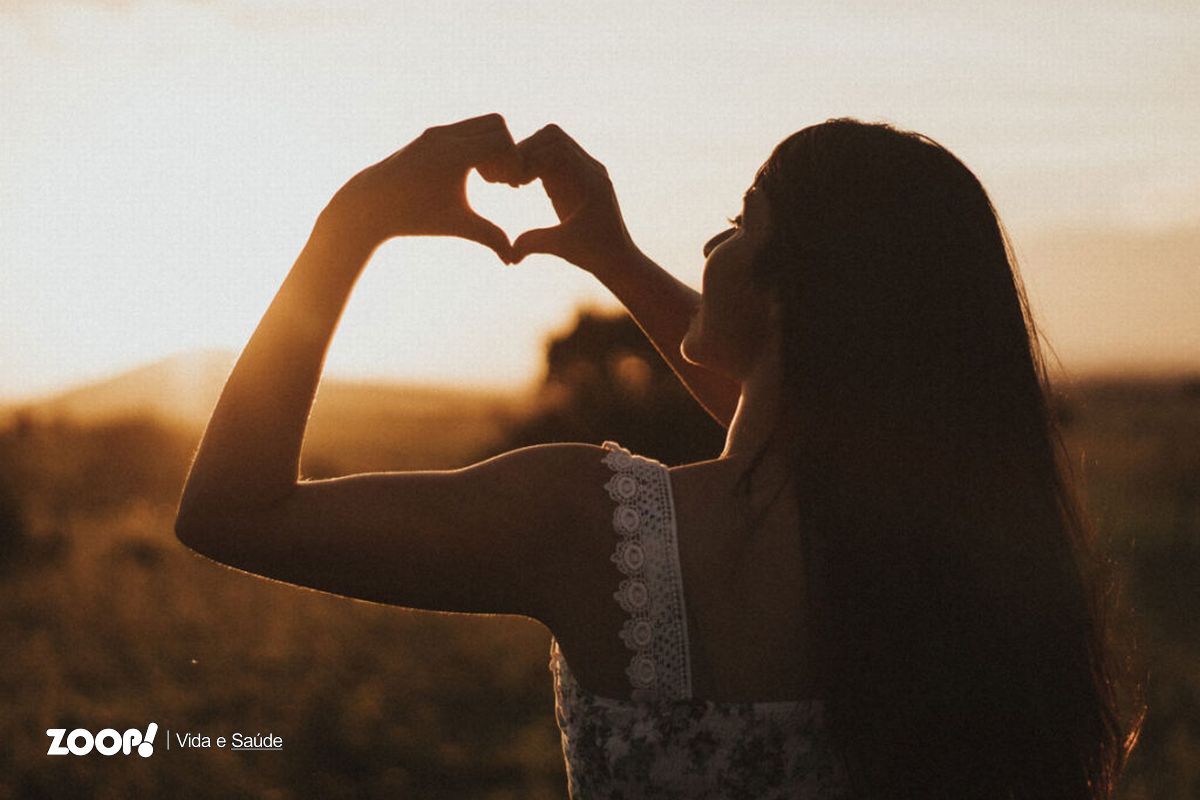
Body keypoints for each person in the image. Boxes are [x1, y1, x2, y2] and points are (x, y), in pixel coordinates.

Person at [175, 113, 1142, 798]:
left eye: (743, 218)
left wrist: (355, 217)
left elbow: (231, 510)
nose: (715, 241)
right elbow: (816, 417)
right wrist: (613, 253)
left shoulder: (593, 531)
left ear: (790, 291)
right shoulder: (963, 563)